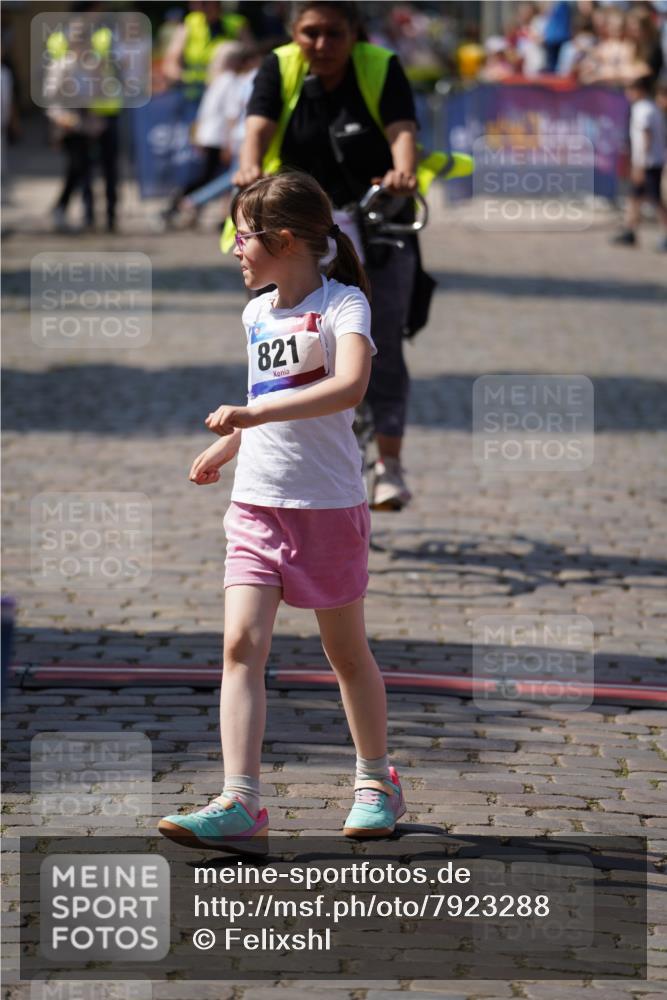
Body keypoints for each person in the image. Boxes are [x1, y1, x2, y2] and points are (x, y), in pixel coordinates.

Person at [158, 172, 407, 853]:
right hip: (255, 507)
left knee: (345, 653)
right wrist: (233, 444)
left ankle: (374, 783)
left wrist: (252, 415)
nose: (233, 250)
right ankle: (240, 800)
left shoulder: (343, 305)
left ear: (284, 239)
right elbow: (270, 395)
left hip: (325, 506)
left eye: (241, 236)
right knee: (241, 646)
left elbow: (346, 385)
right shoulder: (255, 312)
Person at [232, 0, 424, 511]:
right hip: (298, 228)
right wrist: (250, 165)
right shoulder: (280, 65)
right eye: (309, 33)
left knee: (382, 338)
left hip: (373, 216)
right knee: (281, 329)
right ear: (294, 32)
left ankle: (389, 462)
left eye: (334, 34)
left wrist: (402, 173)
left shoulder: (379, 66)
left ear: (354, 32)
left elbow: (403, 130)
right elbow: (257, 127)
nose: (321, 45)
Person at [612, 75, 667, 252]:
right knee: (634, 197)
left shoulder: (644, 110)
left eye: (631, 89)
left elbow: (646, 137)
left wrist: (640, 165)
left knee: (656, 200)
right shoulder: (649, 107)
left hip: (648, 163)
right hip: (648, 161)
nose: (628, 93)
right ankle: (630, 230)